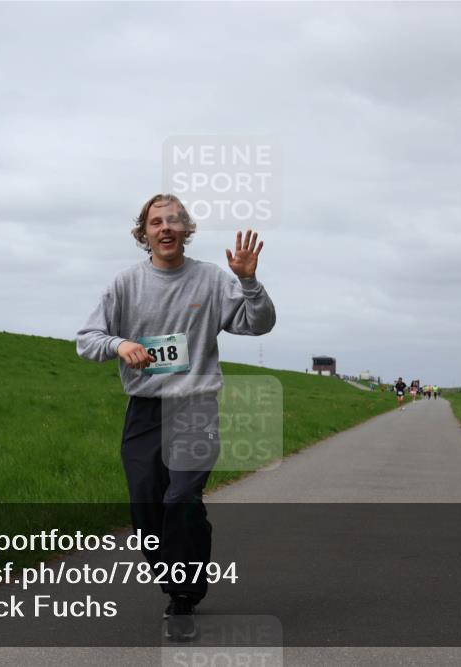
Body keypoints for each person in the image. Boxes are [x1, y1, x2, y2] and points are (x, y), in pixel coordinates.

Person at [76, 194, 276, 641]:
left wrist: (249, 282)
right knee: (147, 511)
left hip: (195, 406)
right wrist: (118, 345)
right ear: (143, 233)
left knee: (180, 499)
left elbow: (258, 324)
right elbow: (87, 339)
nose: (165, 228)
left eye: (174, 221)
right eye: (155, 222)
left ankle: (182, 597)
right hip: (145, 411)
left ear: (188, 230)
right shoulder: (125, 284)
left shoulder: (210, 279)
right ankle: (183, 564)